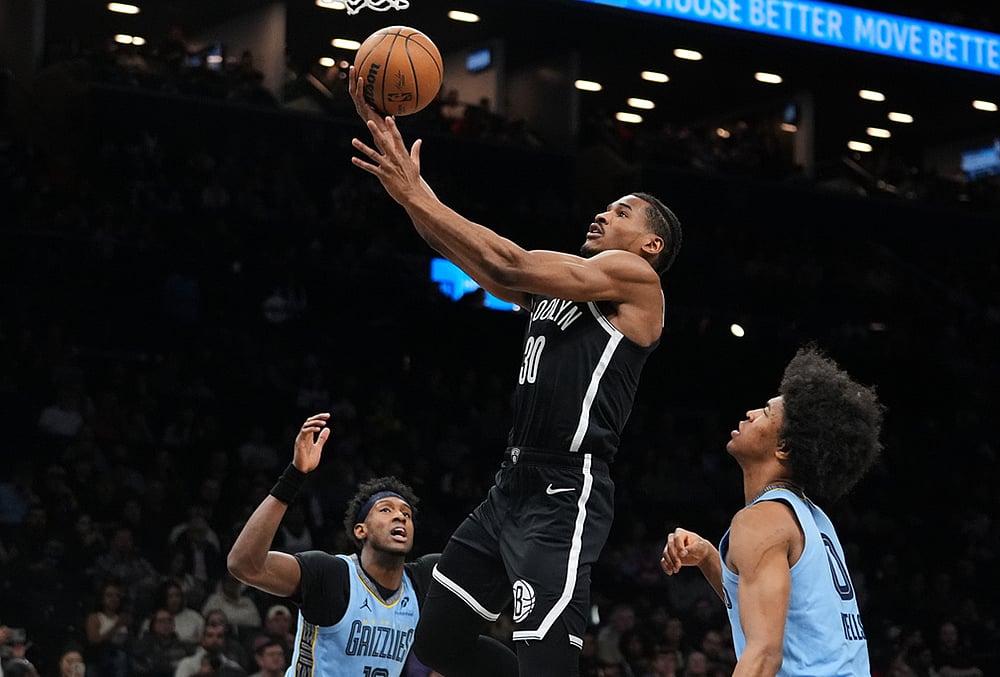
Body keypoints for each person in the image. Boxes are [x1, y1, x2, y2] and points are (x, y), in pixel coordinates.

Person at [348, 68, 682, 677]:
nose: (603, 214)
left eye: (622, 212)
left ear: (650, 246)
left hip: (565, 490)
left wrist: (419, 195)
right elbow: (478, 262)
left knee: (546, 660)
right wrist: (408, 194)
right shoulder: (561, 289)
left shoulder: (638, 282)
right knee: (439, 644)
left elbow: (510, 261)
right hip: (513, 480)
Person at [660, 346, 884, 676]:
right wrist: (708, 557)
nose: (751, 413)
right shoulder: (812, 519)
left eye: (765, 412)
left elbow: (764, 655)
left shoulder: (762, 520)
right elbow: (765, 607)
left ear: (784, 447)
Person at [227, 412, 443, 677]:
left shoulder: (422, 580)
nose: (400, 516)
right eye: (386, 509)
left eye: (406, 514)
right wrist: (294, 476)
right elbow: (244, 566)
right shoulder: (331, 575)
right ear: (360, 530)